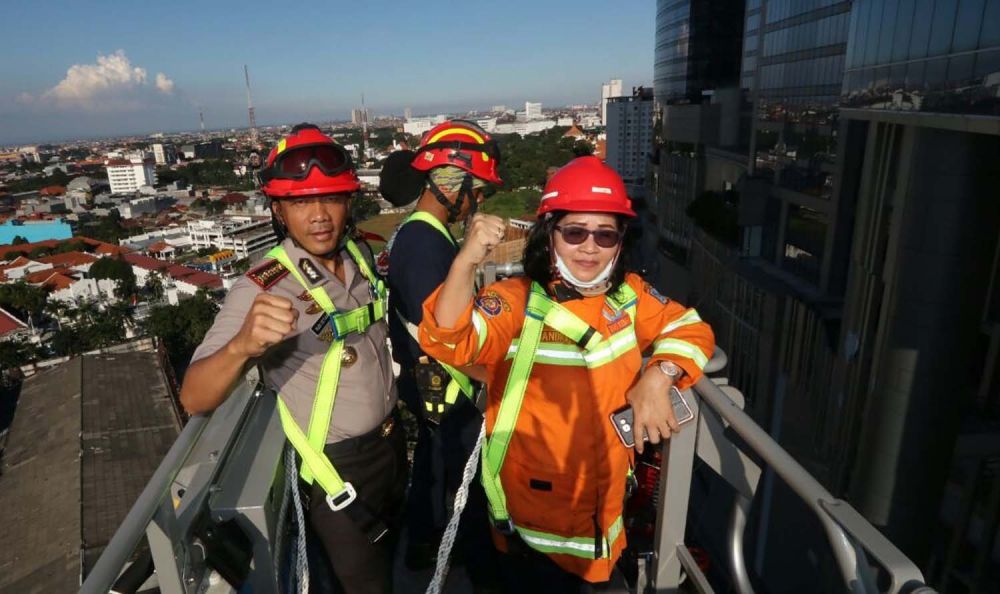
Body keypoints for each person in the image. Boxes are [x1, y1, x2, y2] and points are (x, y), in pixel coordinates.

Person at [418, 156, 715, 591]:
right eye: (575, 232)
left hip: (606, 523)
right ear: (550, 235)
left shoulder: (628, 296)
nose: (590, 248)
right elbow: (448, 338)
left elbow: (689, 327)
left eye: (605, 234)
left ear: (620, 242)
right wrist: (466, 261)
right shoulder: (516, 300)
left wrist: (660, 374)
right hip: (537, 537)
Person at [179, 124, 406, 594]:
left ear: (349, 203)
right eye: (301, 202)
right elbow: (194, 395)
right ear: (279, 212)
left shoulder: (359, 254)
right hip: (337, 470)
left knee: (392, 556)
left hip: (391, 443)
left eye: (332, 199)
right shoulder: (262, 286)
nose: (319, 216)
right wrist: (243, 345)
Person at [378, 120, 502, 584]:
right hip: (446, 386)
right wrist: (496, 377)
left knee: (434, 464)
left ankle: (423, 546)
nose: (478, 201)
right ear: (452, 184)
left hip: (428, 383)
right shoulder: (426, 242)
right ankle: (470, 563)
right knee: (464, 478)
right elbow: (442, 335)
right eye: (476, 190)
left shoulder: (419, 234)